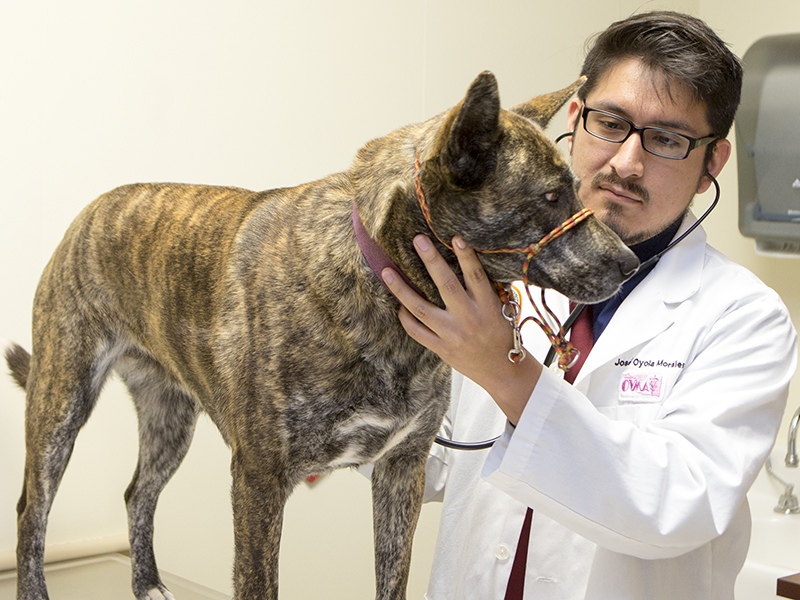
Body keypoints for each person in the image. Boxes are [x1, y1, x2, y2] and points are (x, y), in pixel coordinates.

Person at [381, 11, 798, 600]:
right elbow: (443, 456)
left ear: (713, 166)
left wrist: (505, 371)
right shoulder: (502, 274)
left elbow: (676, 506)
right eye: (611, 122)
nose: (627, 162)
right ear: (575, 121)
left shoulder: (744, 317)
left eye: (668, 139)